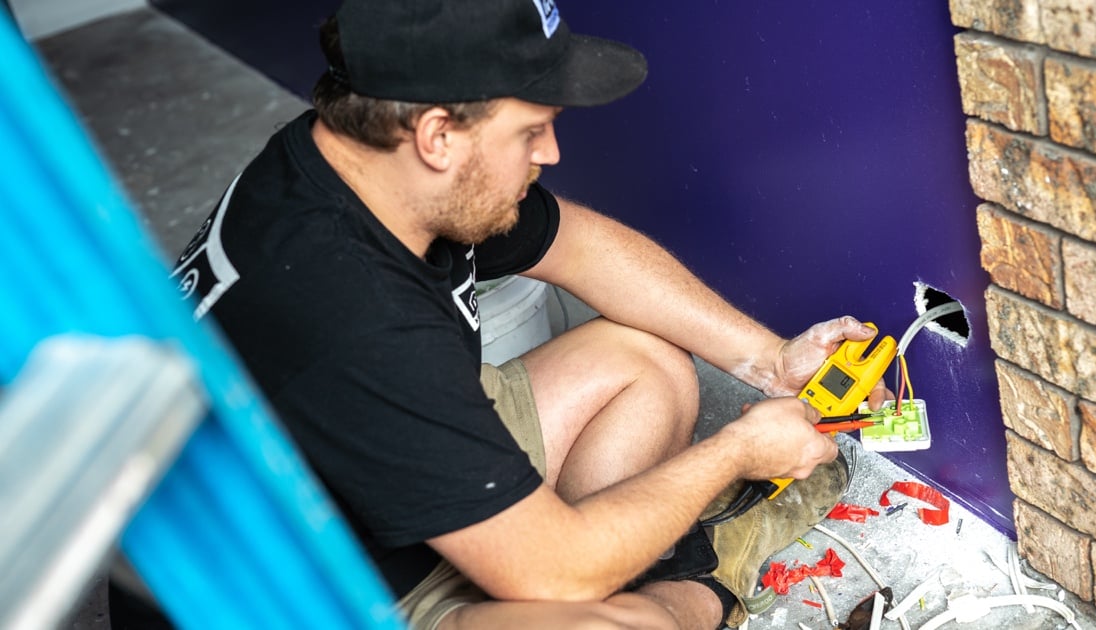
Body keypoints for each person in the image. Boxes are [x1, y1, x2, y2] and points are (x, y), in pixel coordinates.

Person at [119, 1, 890, 628]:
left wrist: (769, 361)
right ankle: (706, 578)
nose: (549, 151)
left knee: (644, 362)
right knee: (614, 623)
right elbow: (550, 574)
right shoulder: (348, 312)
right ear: (437, 134)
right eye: (530, 130)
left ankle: (634, 549)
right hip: (321, 591)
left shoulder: (357, 162)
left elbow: (578, 244)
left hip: (372, 471)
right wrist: (734, 454)